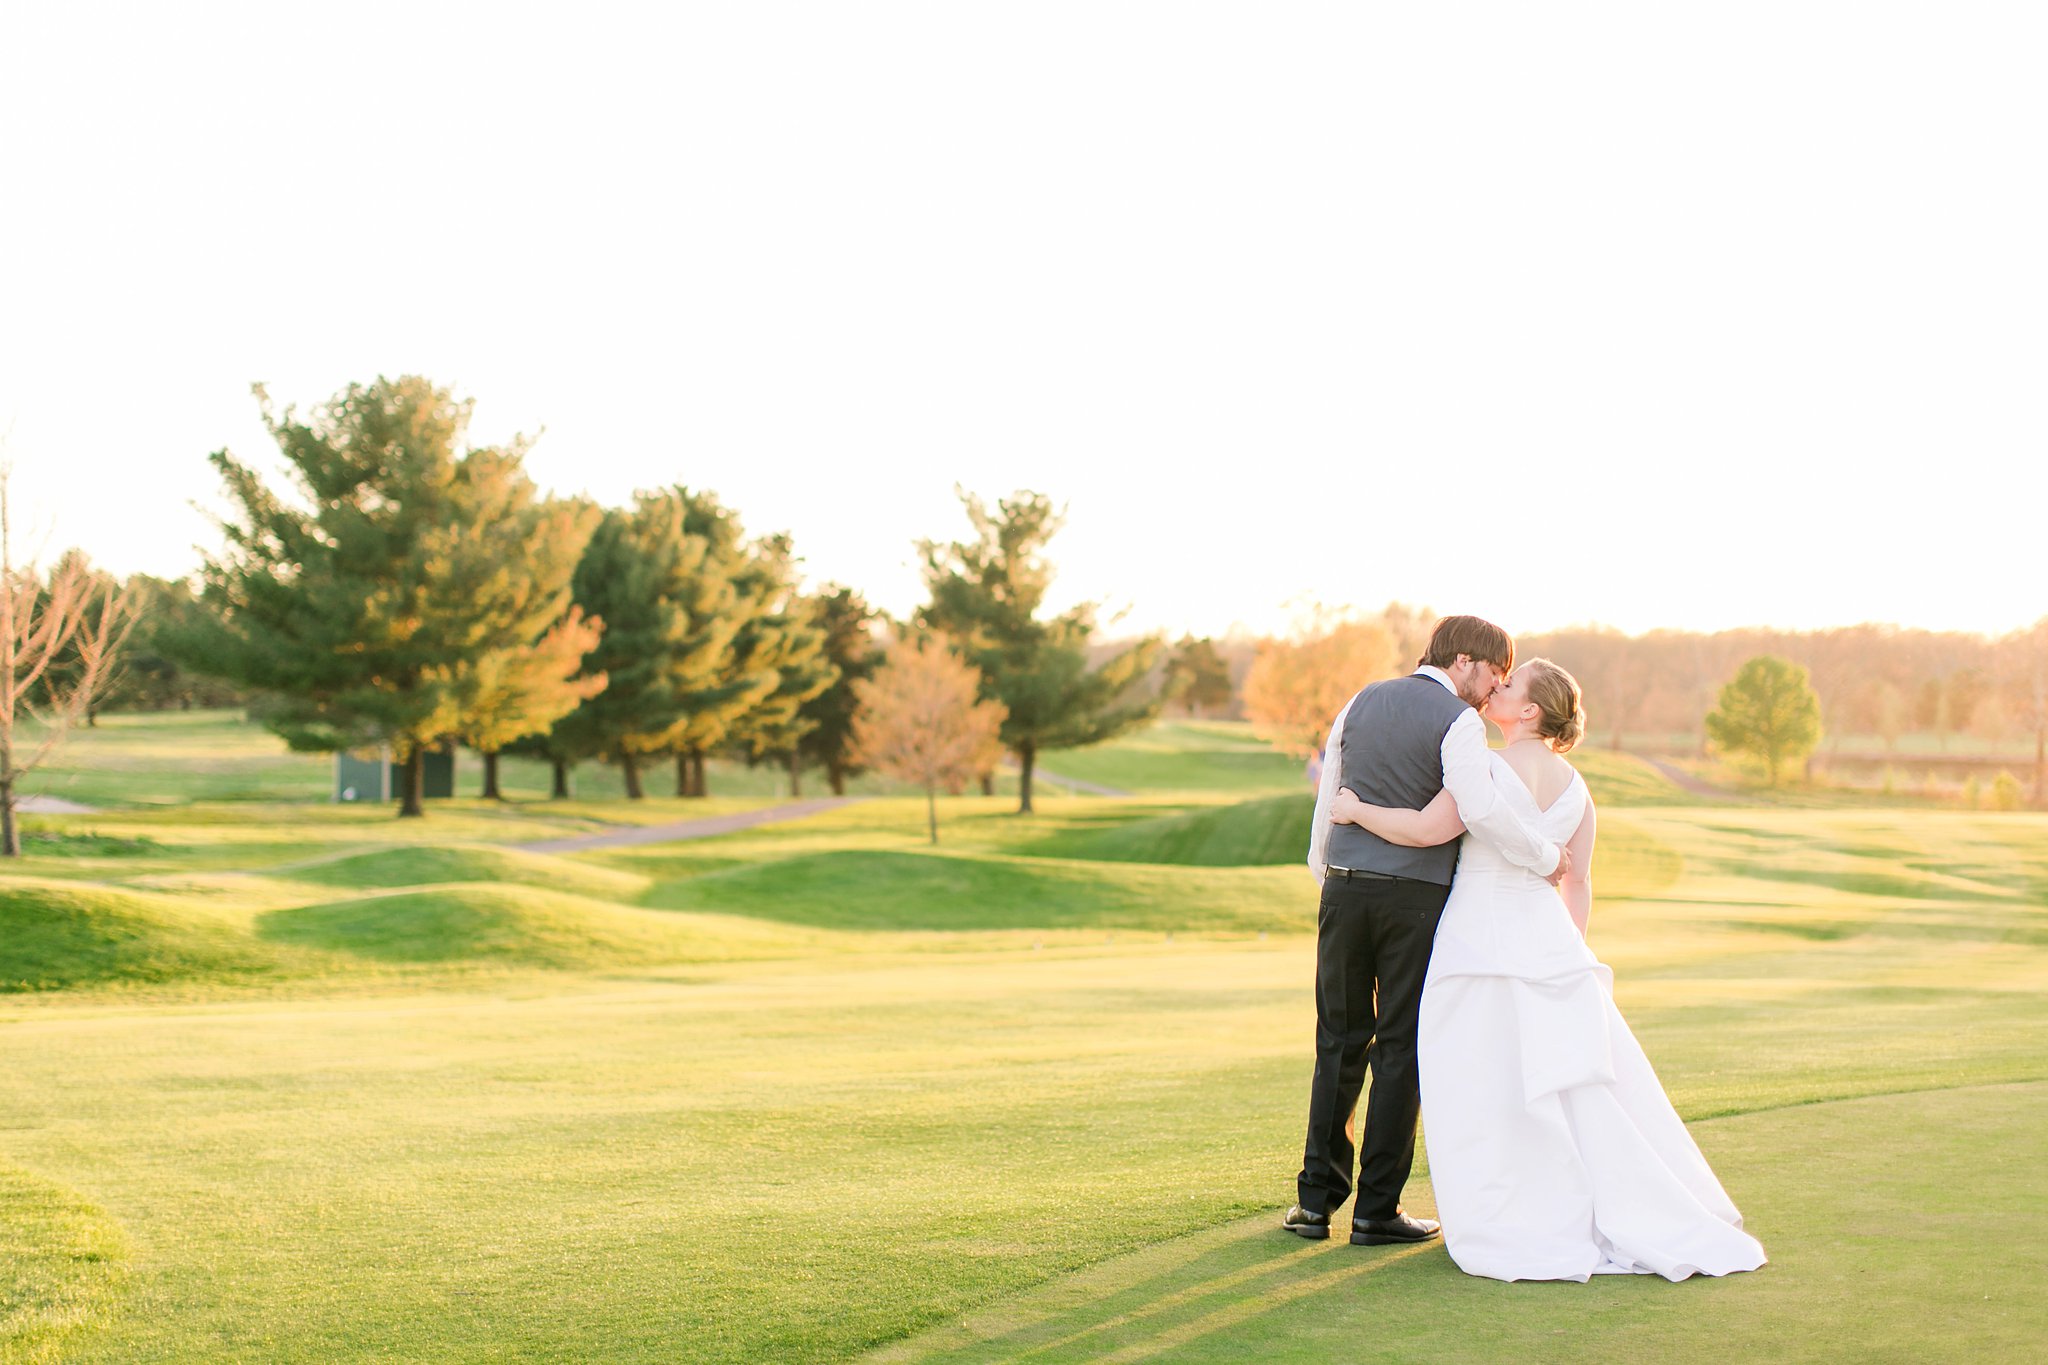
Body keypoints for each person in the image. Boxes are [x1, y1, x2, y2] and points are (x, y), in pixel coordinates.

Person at [1330, 657, 1766, 1282]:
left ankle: (1507, 1210)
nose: (1495, 690)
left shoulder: (1486, 768)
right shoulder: (1577, 787)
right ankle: (1574, 1203)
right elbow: (1579, 880)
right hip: (1547, 940)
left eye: (1508, 687)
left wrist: (1353, 811)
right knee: (1551, 1081)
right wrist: (1568, 957)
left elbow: (1428, 830)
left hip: (1476, 936)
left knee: (1480, 1076)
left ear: (1530, 712)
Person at [1284, 616, 1568, 1247]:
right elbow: (1481, 808)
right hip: (1413, 898)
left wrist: (1328, 872)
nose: (1494, 687)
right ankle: (1375, 1213)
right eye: (1495, 671)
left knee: (1337, 1042)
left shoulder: (1361, 699)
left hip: (1345, 889)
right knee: (1398, 1047)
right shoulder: (1458, 721)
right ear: (1464, 659)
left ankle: (1314, 1204)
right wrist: (1546, 857)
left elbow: (1329, 792)